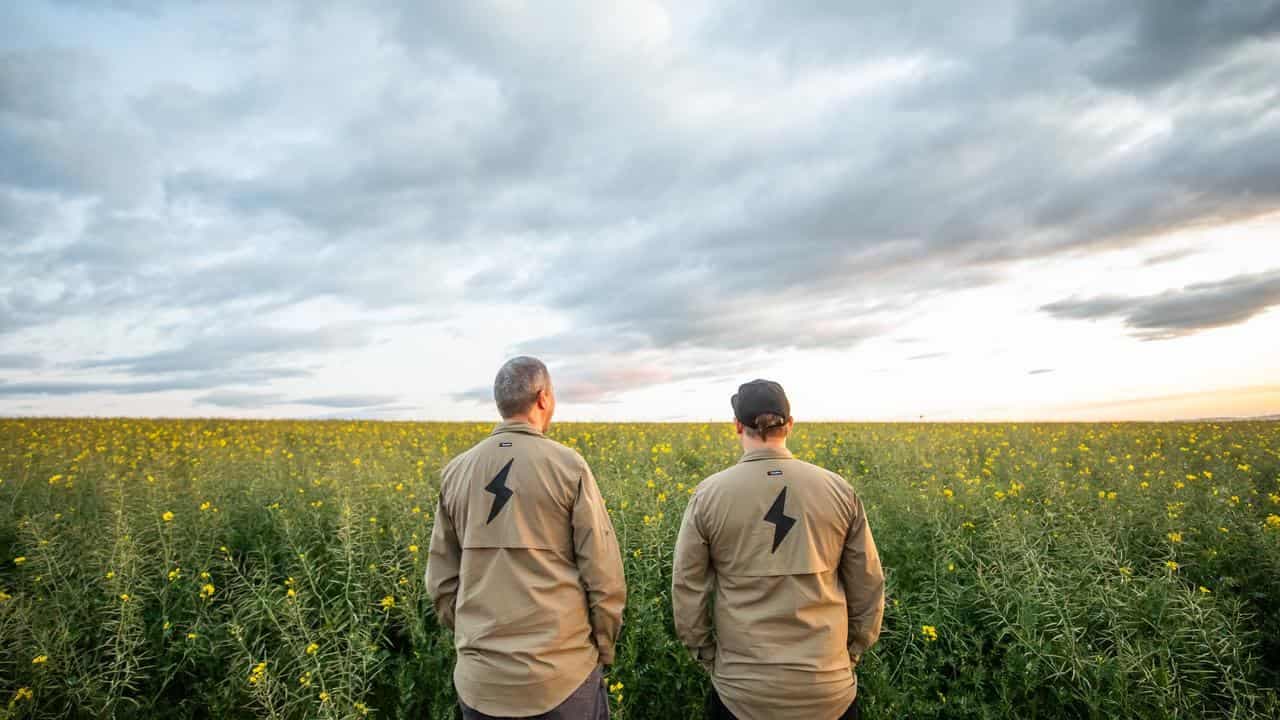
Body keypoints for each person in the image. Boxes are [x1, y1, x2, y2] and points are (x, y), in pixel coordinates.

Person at [672, 379, 885, 720]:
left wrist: (710, 658)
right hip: (828, 690)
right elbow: (868, 584)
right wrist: (851, 653)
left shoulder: (708, 495)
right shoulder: (839, 490)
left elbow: (687, 589)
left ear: (737, 425)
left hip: (742, 694)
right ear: (790, 424)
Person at [427, 356, 626, 719]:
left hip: (481, 683)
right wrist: (601, 650)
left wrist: (476, 641)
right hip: (562, 678)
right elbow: (604, 578)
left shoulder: (455, 472)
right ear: (543, 398)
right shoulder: (569, 466)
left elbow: (441, 583)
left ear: (500, 402)